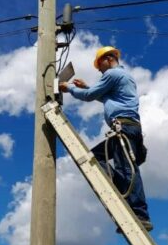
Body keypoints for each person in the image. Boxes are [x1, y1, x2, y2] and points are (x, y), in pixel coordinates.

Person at [59, 46, 153, 232]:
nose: (99, 70)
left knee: (126, 169)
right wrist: (86, 87)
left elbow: (90, 96)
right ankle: (125, 195)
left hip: (123, 128)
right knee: (97, 158)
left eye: (99, 65)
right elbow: (106, 98)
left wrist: (68, 88)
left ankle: (140, 215)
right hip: (129, 127)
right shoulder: (123, 77)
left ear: (109, 59)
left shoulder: (113, 75)